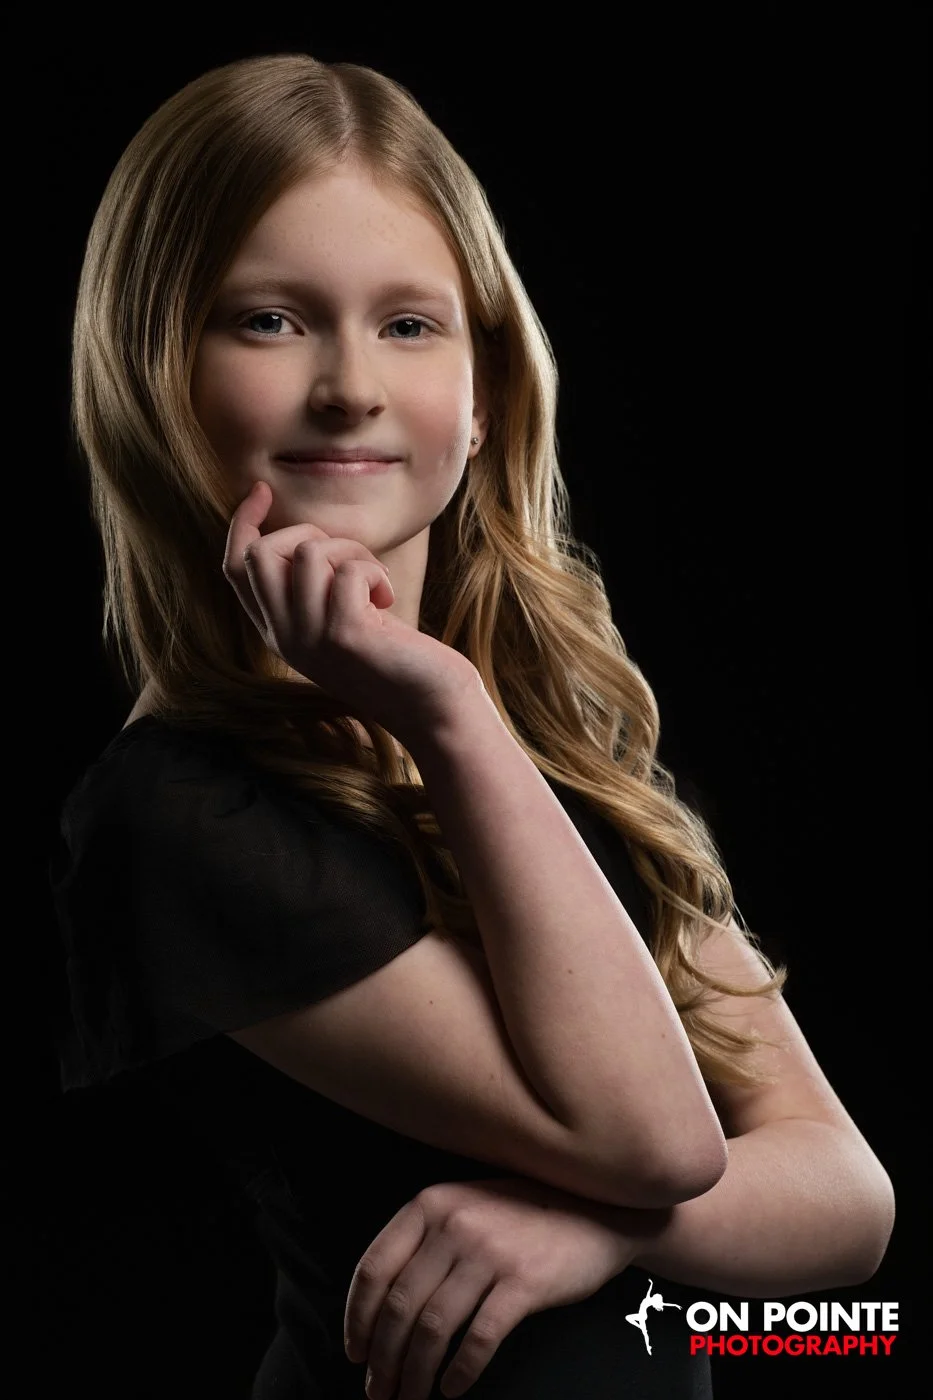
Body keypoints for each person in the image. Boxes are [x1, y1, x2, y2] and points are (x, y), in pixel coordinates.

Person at [50, 52, 895, 1400]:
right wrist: (443, 706)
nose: (350, 387)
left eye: (408, 324)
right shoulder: (181, 813)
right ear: (155, 370)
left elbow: (848, 1202)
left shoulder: (551, 736)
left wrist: (586, 1232)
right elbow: (661, 1142)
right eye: (268, 321)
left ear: (487, 384)